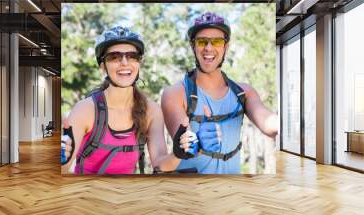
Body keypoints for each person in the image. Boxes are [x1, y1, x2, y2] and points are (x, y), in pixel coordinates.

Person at [161, 12, 278, 174]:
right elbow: (182, 143)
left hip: (231, 191)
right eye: (202, 41)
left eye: (216, 41)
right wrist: (195, 141)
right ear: (193, 46)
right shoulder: (175, 93)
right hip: (190, 193)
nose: (208, 48)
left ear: (226, 47)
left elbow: (270, 124)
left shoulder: (244, 92)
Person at [61, 26, 181, 175]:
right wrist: (62, 159)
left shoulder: (152, 111)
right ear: (103, 66)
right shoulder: (85, 110)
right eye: (114, 57)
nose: (124, 62)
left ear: (139, 63)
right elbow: (62, 170)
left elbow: (159, 165)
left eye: (132, 56)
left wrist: (178, 153)